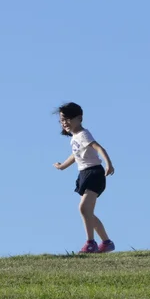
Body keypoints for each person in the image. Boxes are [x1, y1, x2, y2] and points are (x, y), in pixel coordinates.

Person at [53, 102, 116, 253]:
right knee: (87, 212)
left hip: (94, 173)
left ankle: (91, 243)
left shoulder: (83, 134)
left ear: (79, 118)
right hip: (84, 174)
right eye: (62, 120)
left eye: (68, 118)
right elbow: (76, 155)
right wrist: (62, 166)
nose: (64, 123)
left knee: (83, 208)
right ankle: (106, 243)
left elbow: (99, 148)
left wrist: (109, 164)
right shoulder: (75, 137)